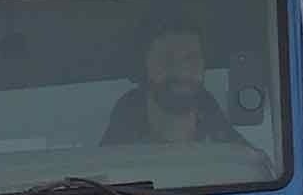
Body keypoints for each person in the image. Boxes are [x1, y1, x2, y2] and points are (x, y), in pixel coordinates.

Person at [102, 26, 249, 148]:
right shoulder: (112, 165)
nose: (182, 72)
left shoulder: (239, 163)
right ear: (143, 67)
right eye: (166, 58)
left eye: (192, 58)